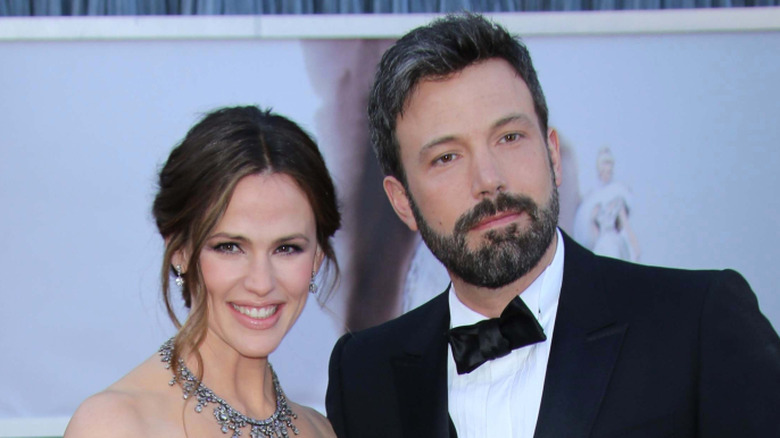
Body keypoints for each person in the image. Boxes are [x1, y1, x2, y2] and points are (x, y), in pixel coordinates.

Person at [325, 13, 780, 438]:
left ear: (553, 154)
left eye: (509, 137)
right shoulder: (364, 373)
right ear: (402, 201)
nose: (489, 179)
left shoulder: (696, 324)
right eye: (446, 157)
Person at [65, 106, 340, 438]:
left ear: (317, 258)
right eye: (229, 247)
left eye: (287, 248)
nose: (261, 282)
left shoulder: (319, 430)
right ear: (180, 251)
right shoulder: (116, 425)